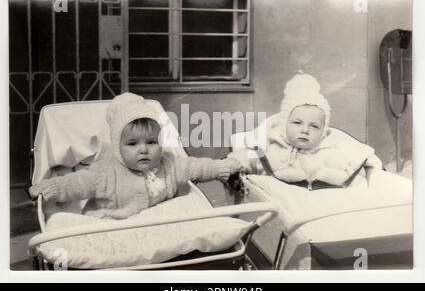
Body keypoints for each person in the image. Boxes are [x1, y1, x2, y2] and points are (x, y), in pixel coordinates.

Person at [29, 93, 242, 219]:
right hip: (111, 223)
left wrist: (225, 167)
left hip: (153, 224)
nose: (144, 149)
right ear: (118, 147)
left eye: (151, 142)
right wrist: (45, 189)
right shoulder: (105, 172)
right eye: (132, 144)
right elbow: (74, 184)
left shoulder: (169, 163)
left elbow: (198, 167)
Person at [229, 72, 378, 190]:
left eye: (314, 126)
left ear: (323, 131)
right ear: (284, 124)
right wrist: (232, 166)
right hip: (279, 211)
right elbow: (244, 158)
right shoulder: (269, 148)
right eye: (297, 123)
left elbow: (357, 168)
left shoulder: (330, 151)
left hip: (317, 211)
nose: (305, 130)